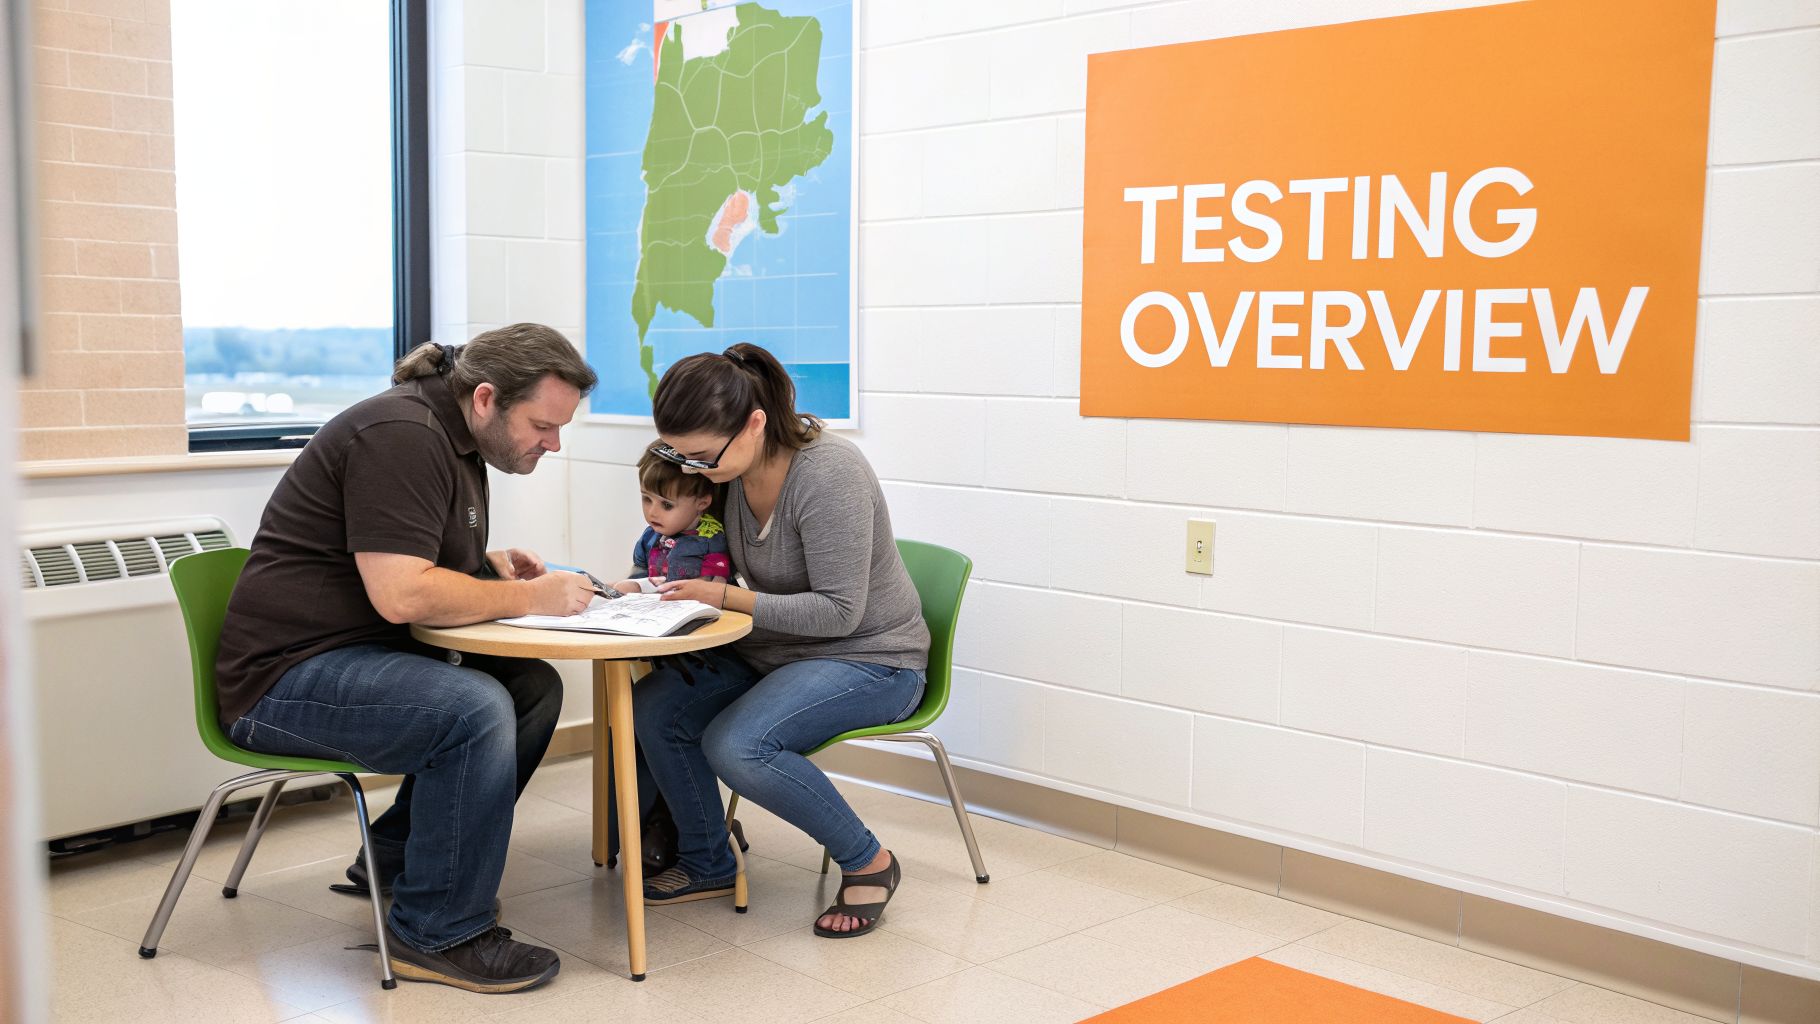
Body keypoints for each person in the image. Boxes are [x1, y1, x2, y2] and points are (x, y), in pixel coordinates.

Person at [213, 324, 598, 992]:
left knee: (530, 687)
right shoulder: (403, 435)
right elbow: (399, 595)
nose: (552, 444)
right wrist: (528, 594)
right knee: (474, 709)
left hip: (346, 654)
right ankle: (437, 931)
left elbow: (408, 557)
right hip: (280, 683)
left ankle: (394, 859)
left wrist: (484, 565)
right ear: (485, 399)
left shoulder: (452, 435)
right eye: (542, 425)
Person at [633, 342, 930, 938]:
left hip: (872, 658)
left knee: (738, 744)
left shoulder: (829, 474)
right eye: (678, 453)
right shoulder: (732, 474)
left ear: (755, 424)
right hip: (775, 649)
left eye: (699, 455)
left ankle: (869, 860)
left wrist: (726, 599)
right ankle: (707, 860)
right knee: (654, 706)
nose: (692, 469)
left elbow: (840, 614)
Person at [610, 443, 732, 593]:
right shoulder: (649, 537)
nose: (652, 512)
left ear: (702, 502)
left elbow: (716, 585)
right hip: (658, 608)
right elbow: (640, 571)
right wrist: (634, 585)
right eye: (647, 499)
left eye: (667, 505)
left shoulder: (711, 541)